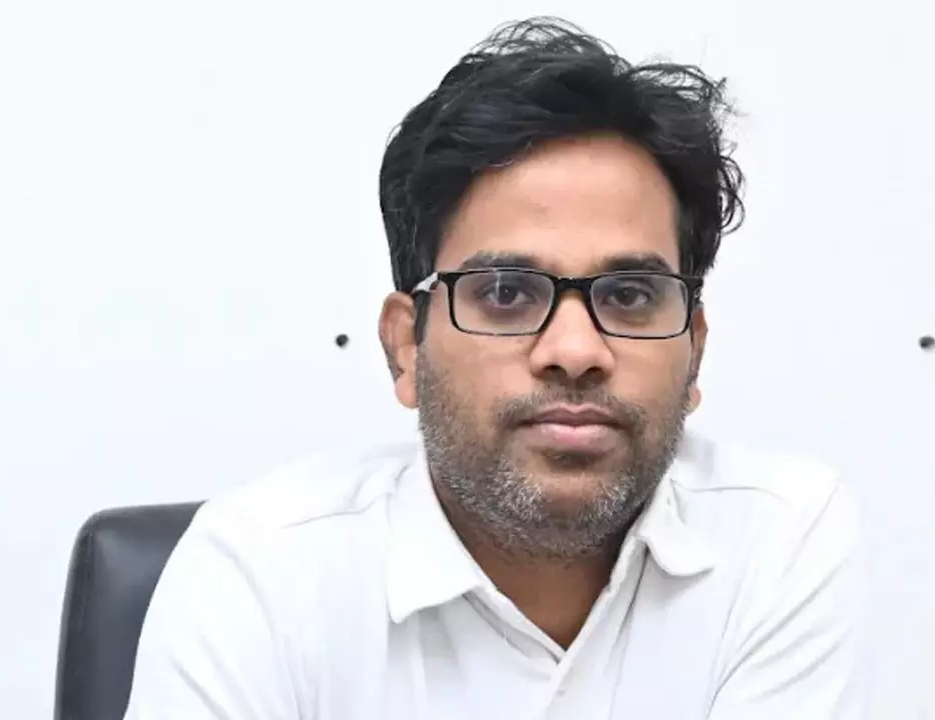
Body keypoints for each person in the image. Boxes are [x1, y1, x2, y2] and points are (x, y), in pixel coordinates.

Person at [123, 16, 868, 720]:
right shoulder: (261, 572)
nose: (575, 351)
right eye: (507, 293)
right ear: (406, 347)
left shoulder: (777, 541)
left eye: (630, 295)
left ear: (694, 351)